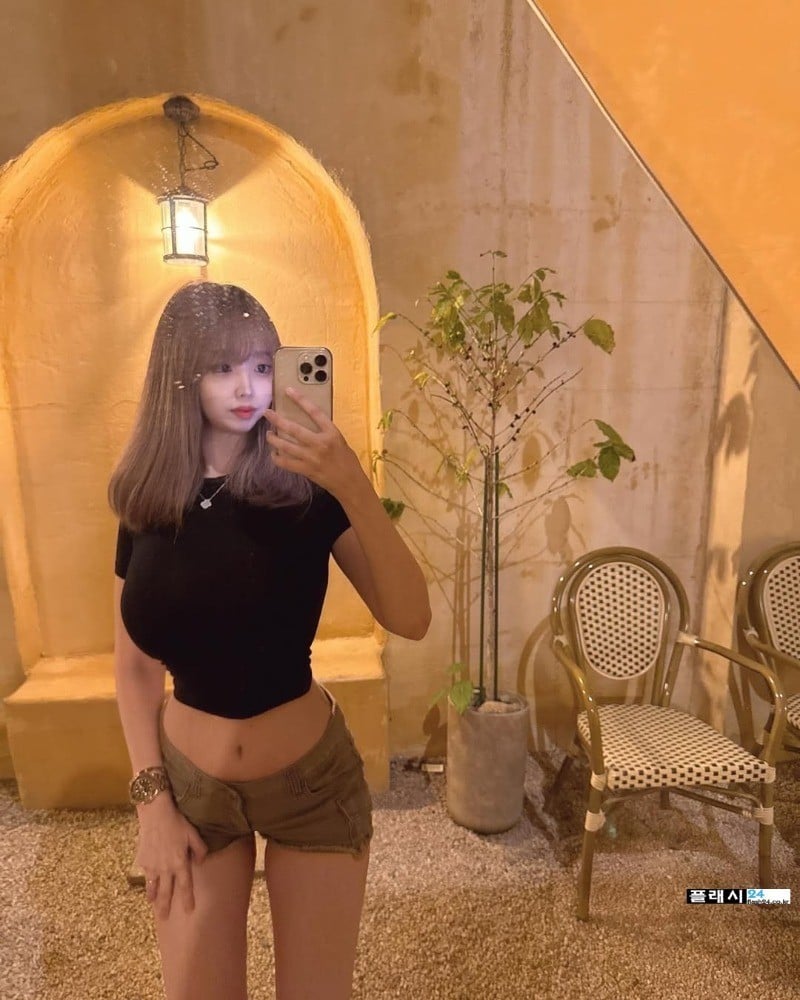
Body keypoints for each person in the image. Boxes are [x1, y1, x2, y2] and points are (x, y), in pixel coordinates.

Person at [109, 281, 431, 1000]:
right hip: (189, 787)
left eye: (261, 365)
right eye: (222, 367)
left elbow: (411, 617)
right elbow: (133, 669)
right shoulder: (146, 497)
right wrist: (151, 805)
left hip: (310, 784)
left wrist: (352, 482)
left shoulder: (307, 487)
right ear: (180, 375)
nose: (248, 388)